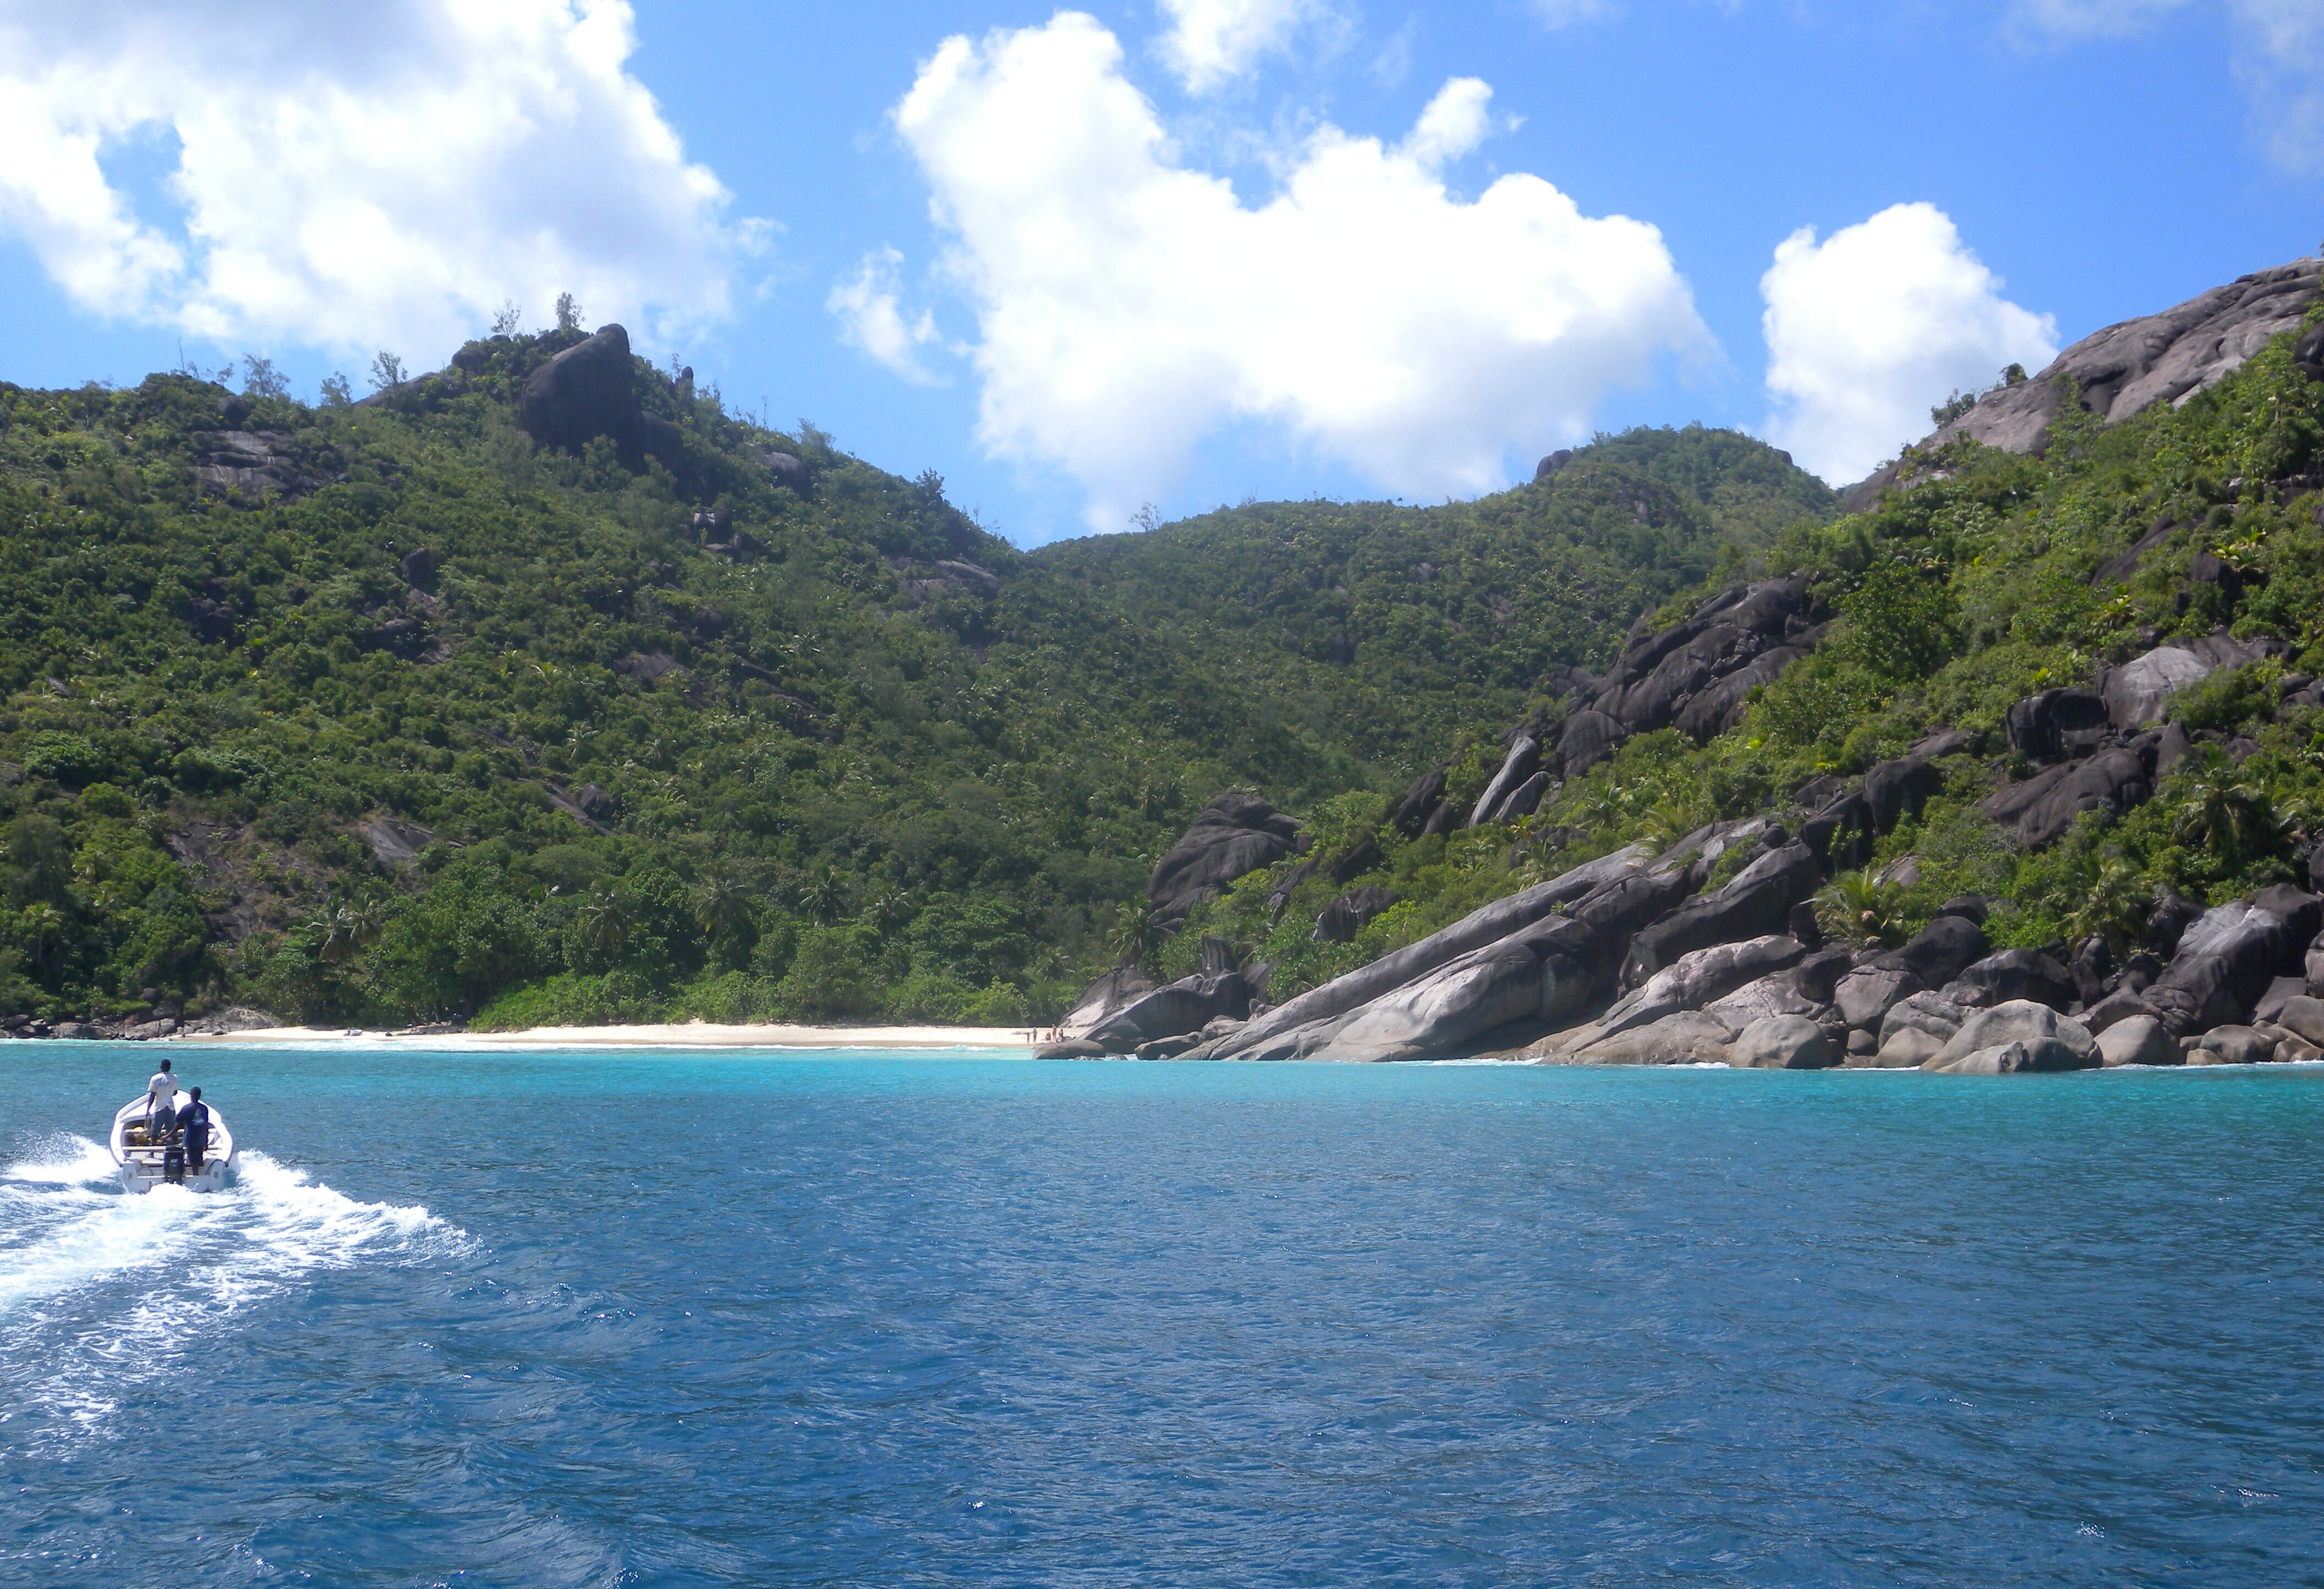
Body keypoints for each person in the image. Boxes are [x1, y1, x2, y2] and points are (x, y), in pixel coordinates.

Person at [177, 1087, 211, 1176]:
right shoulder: (204, 1109)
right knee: (199, 1155)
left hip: (190, 1138)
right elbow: (206, 1125)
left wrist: (167, 1136)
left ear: (191, 1096)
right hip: (201, 1138)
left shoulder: (186, 1108)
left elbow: (178, 1123)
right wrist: (206, 1142)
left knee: (192, 1158)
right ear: (200, 1096)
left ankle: (196, 1175)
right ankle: (202, 1173)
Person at [145, 1058, 180, 1139]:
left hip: (159, 1106)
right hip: (170, 1106)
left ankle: (153, 1148)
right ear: (170, 1067)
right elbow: (175, 1093)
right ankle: (173, 1145)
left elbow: (153, 1095)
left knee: (155, 1129)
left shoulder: (155, 1078)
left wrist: (148, 1109)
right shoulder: (174, 1078)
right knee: (172, 1129)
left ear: (161, 1067)